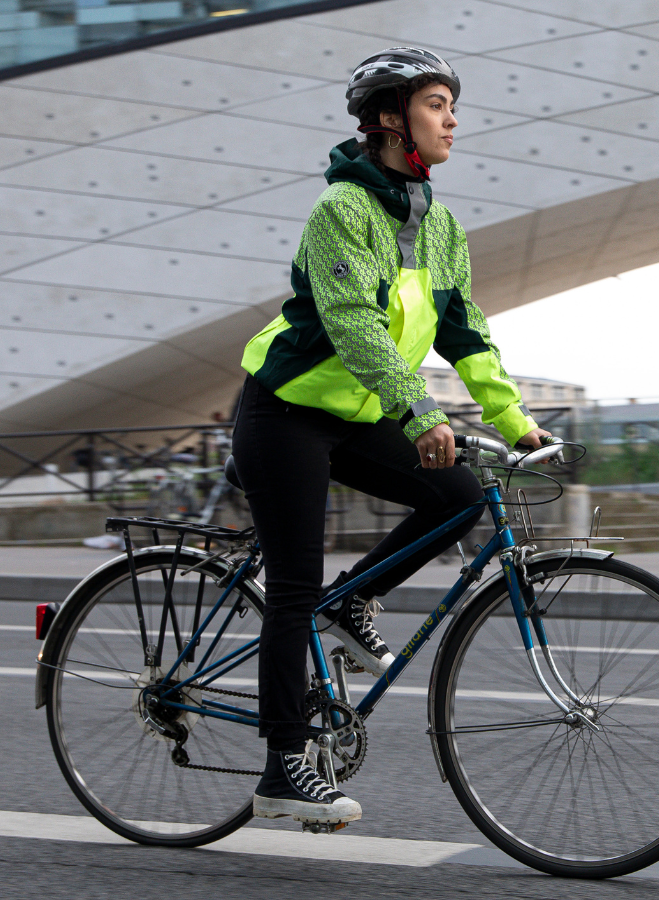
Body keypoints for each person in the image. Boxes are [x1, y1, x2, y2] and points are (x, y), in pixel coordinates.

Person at [233, 47, 552, 827]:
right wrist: (420, 413)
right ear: (388, 118)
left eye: (452, 106)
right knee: (294, 588)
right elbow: (355, 327)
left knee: (458, 497)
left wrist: (512, 420)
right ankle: (282, 769)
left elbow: (464, 330)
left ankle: (353, 604)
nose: (453, 121)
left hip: (356, 413)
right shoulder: (341, 210)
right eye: (437, 104)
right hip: (286, 411)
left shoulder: (439, 225)